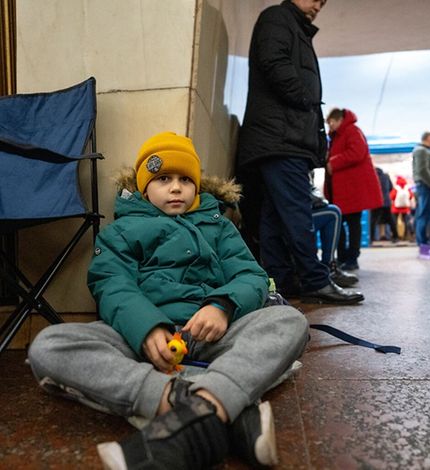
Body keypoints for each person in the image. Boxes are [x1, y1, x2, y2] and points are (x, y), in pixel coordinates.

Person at [28, 132, 311, 470]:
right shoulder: (120, 232)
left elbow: (251, 276)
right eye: (163, 179)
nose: (176, 187)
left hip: (213, 332)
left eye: (185, 180)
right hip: (144, 340)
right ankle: (209, 405)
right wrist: (146, 329)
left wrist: (221, 306)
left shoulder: (219, 226)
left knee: (289, 321)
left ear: (196, 187)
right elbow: (111, 283)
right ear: (145, 188)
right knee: (49, 345)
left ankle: (185, 408)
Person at [236, 0, 364, 305]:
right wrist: (306, 98)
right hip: (282, 139)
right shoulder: (278, 17)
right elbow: (273, 61)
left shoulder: (290, 25)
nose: (319, 4)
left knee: (274, 216)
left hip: (276, 138)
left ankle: (283, 279)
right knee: (297, 212)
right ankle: (316, 280)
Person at [324, 108, 383, 271]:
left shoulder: (352, 131)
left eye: (332, 122)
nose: (330, 125)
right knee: (340, 223)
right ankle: (343, 257)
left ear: (340, 120)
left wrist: (333, 163)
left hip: (351, 189)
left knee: (352, 223)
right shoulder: (337, 136)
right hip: (342, 190)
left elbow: (357, 152)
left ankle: (352, 258)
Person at [370, 167, 399, 243]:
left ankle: (371, 238)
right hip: (386, 201)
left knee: (373, 220)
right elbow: (391, 187)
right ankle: (395, 236)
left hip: (375, 201)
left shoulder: (372, 175)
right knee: (390, 220)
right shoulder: (386, 176)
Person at [390, 175, 415, 241]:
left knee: (394, 222)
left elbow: (391, 197)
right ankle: (406, 236)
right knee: (406, 222)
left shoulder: (396, 188)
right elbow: (411, 196)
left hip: (395, 208)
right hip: (405, 208)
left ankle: (395, 236)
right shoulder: (407, 188)